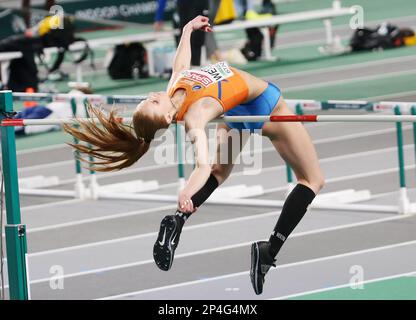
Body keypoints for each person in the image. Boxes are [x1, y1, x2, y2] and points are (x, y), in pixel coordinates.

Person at [64, 15, 325, 295]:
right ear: (166, 115)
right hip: (266, 105)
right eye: (152, 101)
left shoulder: (174, 88)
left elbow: (181, 64)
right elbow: (201, 164)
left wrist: (188, 30)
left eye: (147, 98)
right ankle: (268, 251)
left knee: (220, 172)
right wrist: (186, 192)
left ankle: (178, 220)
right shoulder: (195, 116)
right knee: (312, 179)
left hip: (235, 108)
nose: (152, 94)